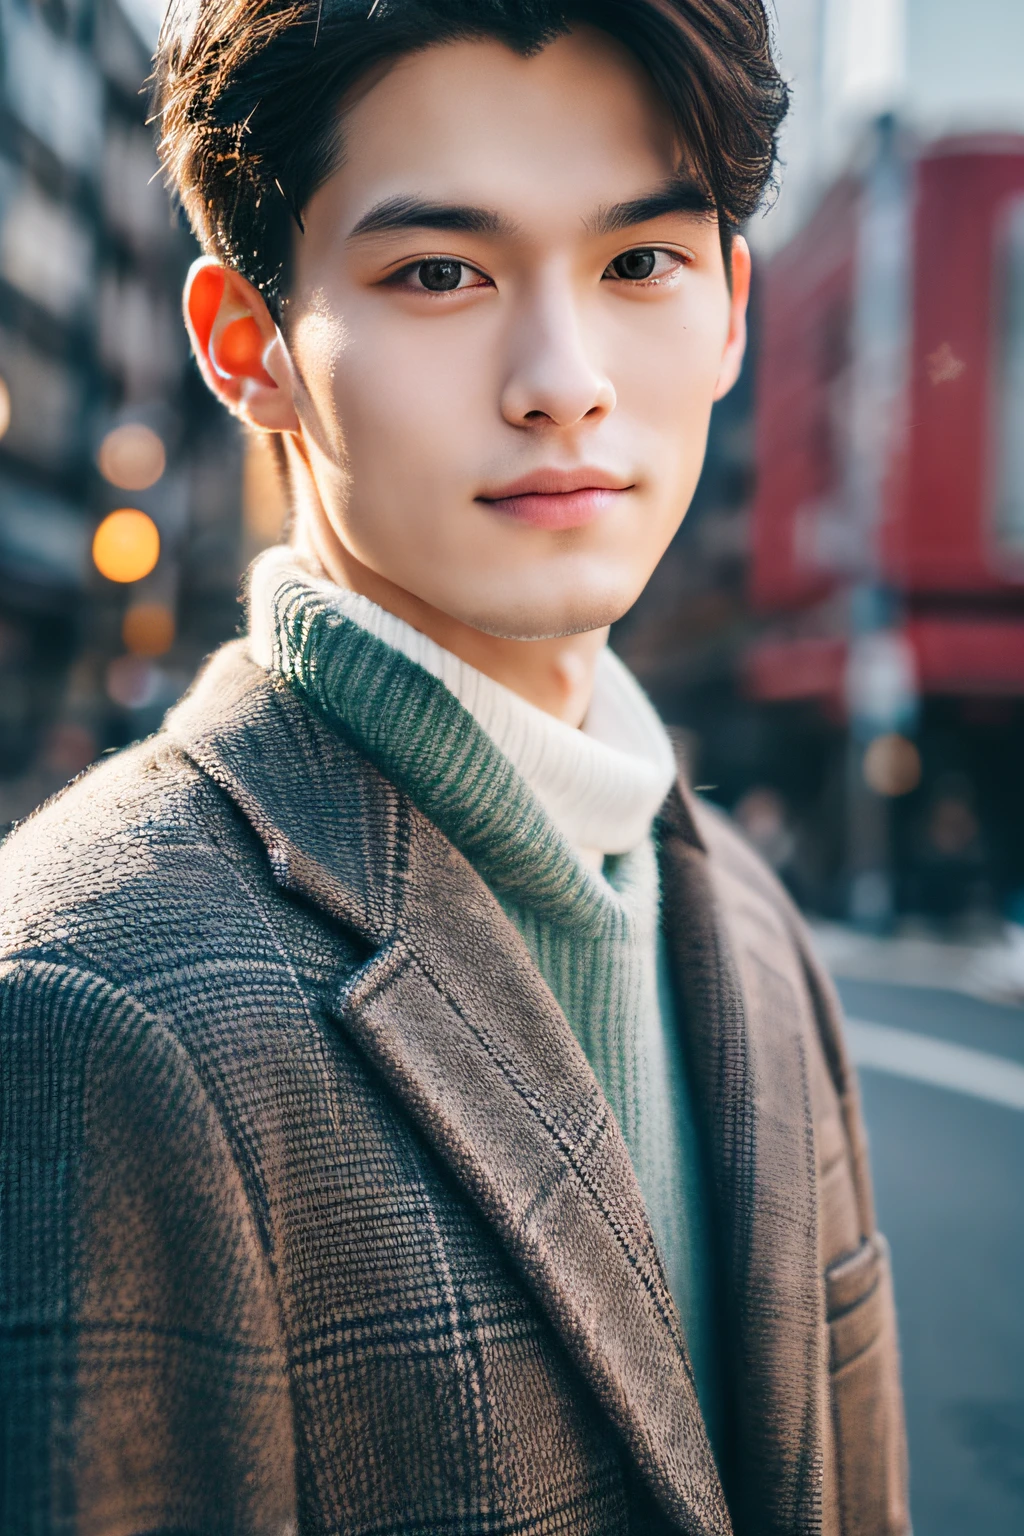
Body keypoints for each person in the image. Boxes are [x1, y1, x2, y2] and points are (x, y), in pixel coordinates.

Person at [0, 2, 909, 1531]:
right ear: (251, 349)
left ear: (734, 308)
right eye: (440, 273)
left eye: (640, 263)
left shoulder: (749, 919)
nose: (565, 379)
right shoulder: (85, 1005)